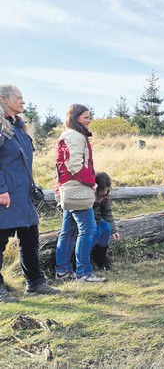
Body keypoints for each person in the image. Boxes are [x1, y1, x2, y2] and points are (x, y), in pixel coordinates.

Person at [0, 84, 60, 302]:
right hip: (5, 195)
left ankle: (35, 283)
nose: (23, 101)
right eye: (19, 97)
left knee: (30, 238)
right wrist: (1, 190)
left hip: (23, 195)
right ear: (3, 99)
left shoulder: (19, 126)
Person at [55, 104, 106, 283]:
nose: (89, 120)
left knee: (68, 230)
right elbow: (74, 164)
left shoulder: (70, 135)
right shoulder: (75, 136)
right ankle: (84, 272)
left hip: (69, 188)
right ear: (76, 117)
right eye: (86, 117)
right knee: (88, 229)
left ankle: (63, 271)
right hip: (77, 188)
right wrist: (91, 182)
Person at [90, 172, 120, 271]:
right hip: (88, 221)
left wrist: (114, 230)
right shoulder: (90, 195)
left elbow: (107, 213)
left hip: (97, 220)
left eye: (107, 189)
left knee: (106, 228)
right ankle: (86, 256)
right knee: (97, 231)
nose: (106, 192)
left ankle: (100, 257)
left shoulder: (105, 196)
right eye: (104, 189)